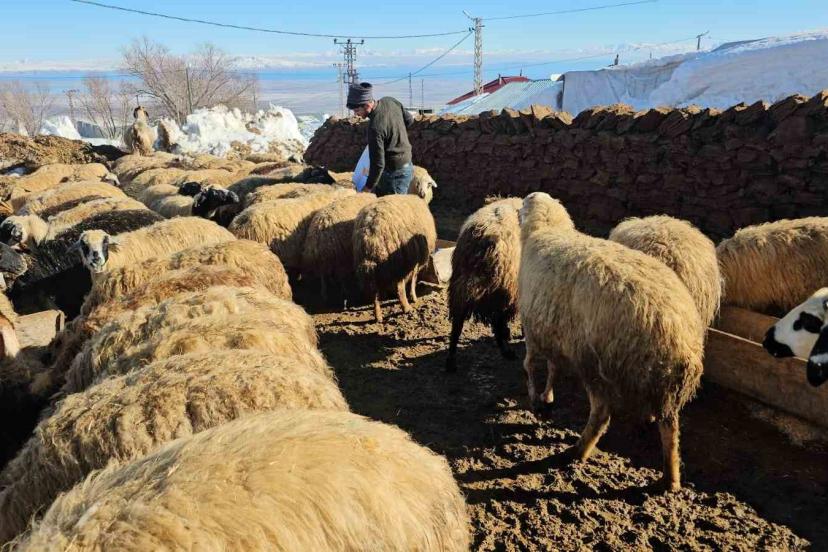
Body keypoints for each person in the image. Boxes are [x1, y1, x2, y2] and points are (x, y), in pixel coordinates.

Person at [346, 82, 414, 196]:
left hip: (394, 174)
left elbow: (378, 164)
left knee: (392, 206)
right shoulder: (390, 101)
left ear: (367, 105)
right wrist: (396, 135)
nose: (356, 115)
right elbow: (409, 120)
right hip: (407, 163)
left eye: (357, 110)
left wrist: (368, 187)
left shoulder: (375, 127)